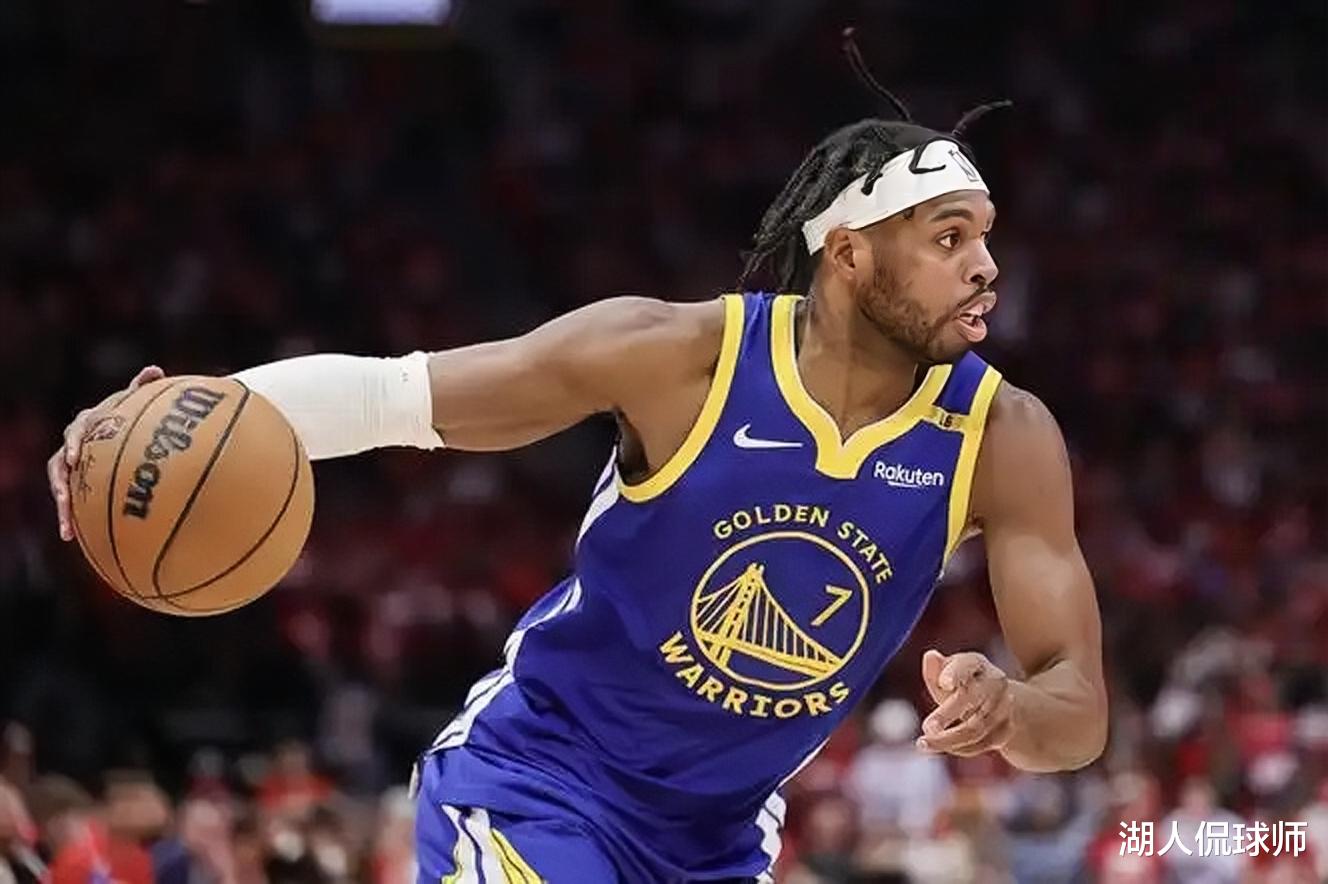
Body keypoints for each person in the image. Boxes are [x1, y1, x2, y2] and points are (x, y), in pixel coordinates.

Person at [48, 40, 1108, 883]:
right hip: (541, 780)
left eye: (985, 235)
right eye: (948, 238)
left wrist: (1011, 712)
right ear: (848, 252)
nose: (986, 266)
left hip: (718, 840)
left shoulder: (1001, 436)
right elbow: (391, 397)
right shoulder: (674, 358)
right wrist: (174, 413)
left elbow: (1079, 708)